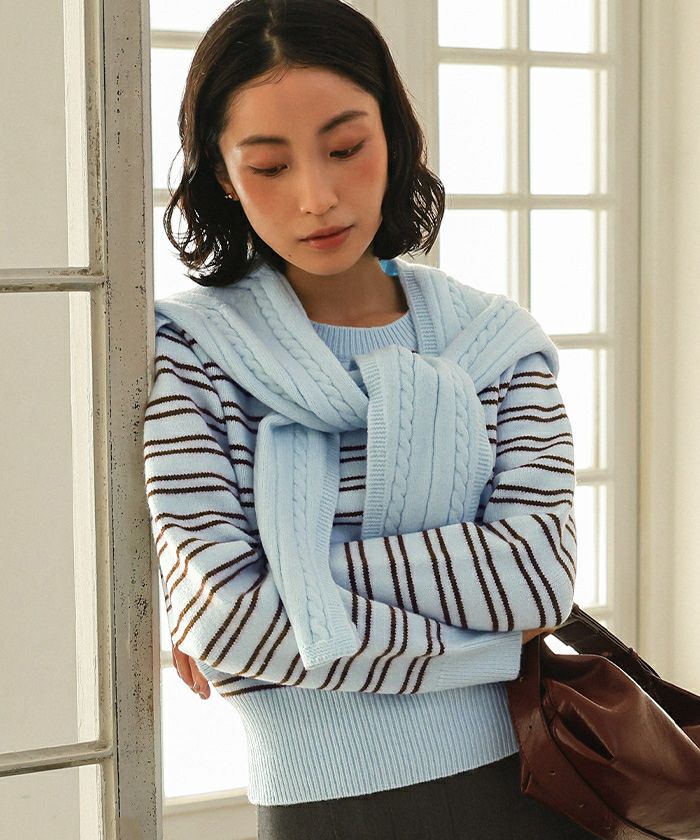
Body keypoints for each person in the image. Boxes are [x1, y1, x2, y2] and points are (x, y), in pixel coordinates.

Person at [143, 1, 595, 837]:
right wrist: (485, 642)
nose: (316, 197)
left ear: (394, 133)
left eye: (346, 149)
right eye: (269, 165)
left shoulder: (496, 342)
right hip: (316, 809)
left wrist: (293, 579)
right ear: (222, 175)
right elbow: (225, 616)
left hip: (527, 790)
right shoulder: (194, 350)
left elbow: (536, 580)